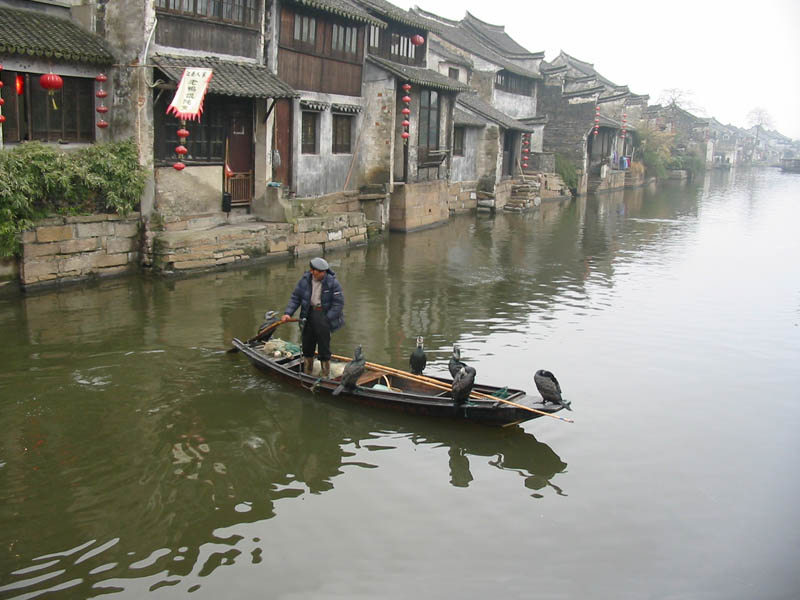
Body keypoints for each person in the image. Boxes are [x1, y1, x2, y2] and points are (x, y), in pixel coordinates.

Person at [280, 257, 344, 377]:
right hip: (308, 314)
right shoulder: (305, 280)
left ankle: (325, 374)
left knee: (324, 346)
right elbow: (295, 298)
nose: (320, 274)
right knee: (307, 344)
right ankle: (307, 372)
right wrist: (288, 313)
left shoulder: (333, 283)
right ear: (312, 271)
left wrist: (327, 318)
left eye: (323, 272)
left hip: (323, 315)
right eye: (318, 272)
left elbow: (338, 304)